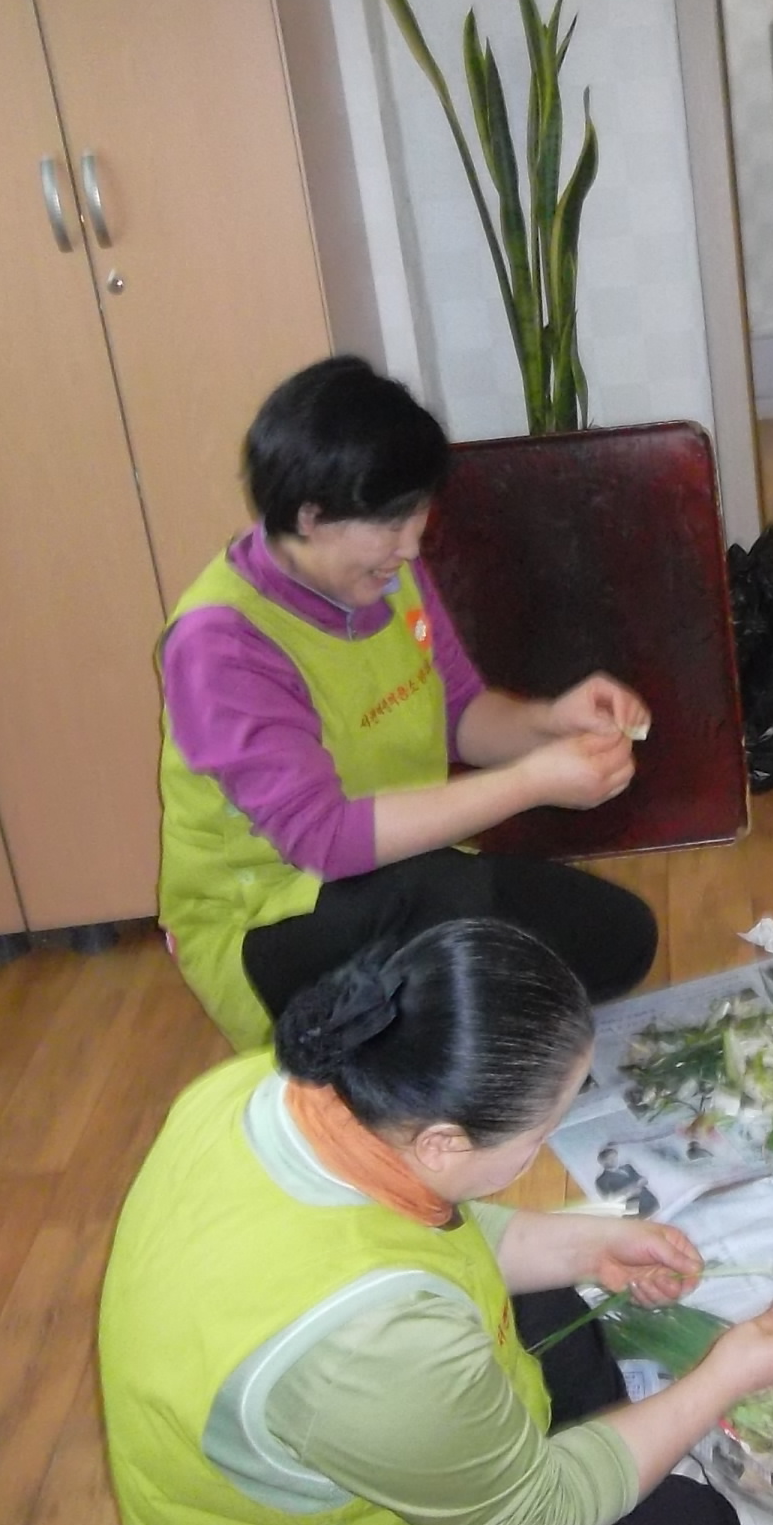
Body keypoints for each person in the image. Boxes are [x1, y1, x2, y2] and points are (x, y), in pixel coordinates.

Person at [97, 920, 773, 1525]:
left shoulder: (278, 1089)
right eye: (538, 1136)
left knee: (549, 1302)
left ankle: (611, 1453)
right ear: (442, 1142)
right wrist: (720, 1380)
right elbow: (528, 1518)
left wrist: (589, 1248)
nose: (542, 1149)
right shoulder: (370, 1346)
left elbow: (418, 1231)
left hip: (376, 1415)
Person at [158, 356, 658, 1049]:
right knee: (452, 913)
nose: (413, 544)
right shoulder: (222, 642)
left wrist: (551, 721)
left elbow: (463, 715)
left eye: (417, 514)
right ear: (311, 517)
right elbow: (326, 840)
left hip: (406, 876)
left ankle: (419, 1020)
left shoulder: (384, 573)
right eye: (392, 523)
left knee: (620, 941)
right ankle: (352, 1039)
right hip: (269, 922)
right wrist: (531, 782)